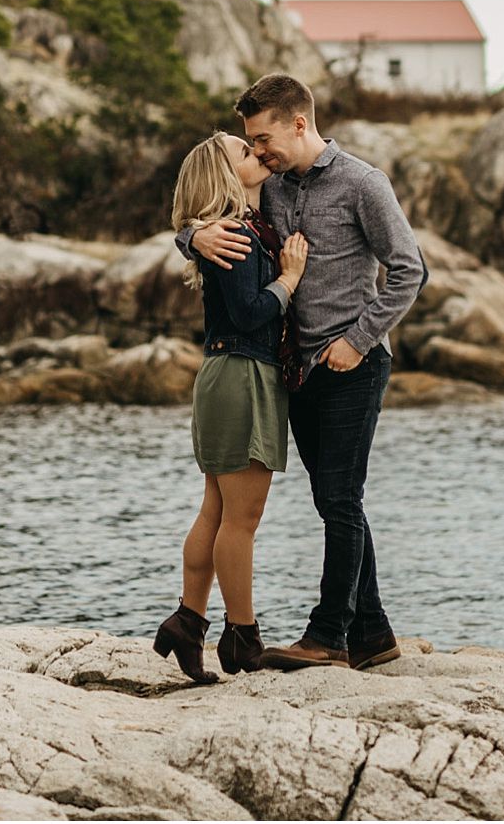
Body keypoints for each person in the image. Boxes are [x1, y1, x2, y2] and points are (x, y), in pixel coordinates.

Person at [177, 74, 427, 672]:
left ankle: (329, 636)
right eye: (251, 143)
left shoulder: (364, 184)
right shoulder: (273, 185)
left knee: (340, 500)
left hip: (351, 366)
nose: (259, 151)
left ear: (298, 122)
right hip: (295, 372)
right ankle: (373, 634)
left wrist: (359, 341)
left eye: (264, 138)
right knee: (333, 501)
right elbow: (214, 202)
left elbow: (409, 270)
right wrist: (191, 237)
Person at [154, 131, 310, 683]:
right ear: (226, 175)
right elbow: (248, 312)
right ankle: (243, 637)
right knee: (240, 521)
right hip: (244, 374)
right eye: (244, 151)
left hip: (224, 374)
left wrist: (188, 233)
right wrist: (289, 279)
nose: (255, 152)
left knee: (215, 512)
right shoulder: (238, 234)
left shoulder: (228, 229)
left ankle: (187, 622)